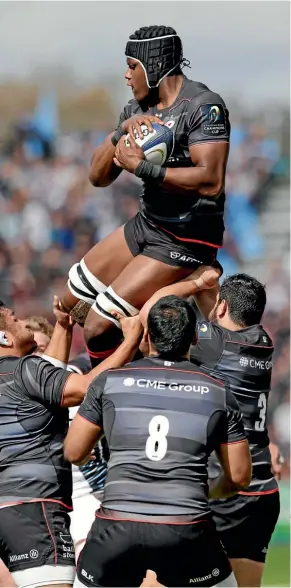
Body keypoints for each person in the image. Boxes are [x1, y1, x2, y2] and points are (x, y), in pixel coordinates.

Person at [60, 24, 230, 367]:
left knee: (96, 327)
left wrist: (142, 168)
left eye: (131, 65)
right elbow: (97, 177)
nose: (126, 75)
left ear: (154, 65)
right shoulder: (135, 111)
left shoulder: (203, 105)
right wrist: (118, 134)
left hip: (185, 239)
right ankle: (133, 352)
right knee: (71, 304)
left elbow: (211, 181)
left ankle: (107, 401)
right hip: (147, 224)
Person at [65, 296, 252, 588]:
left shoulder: (109, 382)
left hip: (117, 527)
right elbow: (239, 477)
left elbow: (74, 451)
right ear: (193, 338)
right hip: (185, 528)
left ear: (147, 337)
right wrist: (211, 492)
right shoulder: (218, 391)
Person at [140, 274, 281, 588]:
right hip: (262, 491)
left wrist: (196, 281)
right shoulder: (262, 341)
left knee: (157, 578)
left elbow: (155, 311)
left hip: (222, 485)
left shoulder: (214, 344)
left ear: (222, 307)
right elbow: (218, 314)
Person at [0, 298, 142, 588]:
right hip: (35, 508)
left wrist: (63, 325)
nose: (21, 321)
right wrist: (130, 341)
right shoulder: (24, 369)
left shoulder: (19, 377)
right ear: (3, 336)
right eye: (13, 318)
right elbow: (87, 387)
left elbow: (47, 378)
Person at [24, 317, 109, 559]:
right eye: (30, 354)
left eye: (42, 350)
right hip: (42, 504)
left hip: (93, 494)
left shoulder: (77, 377)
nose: (37, 361)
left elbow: (97, 364)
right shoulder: (14, 394)